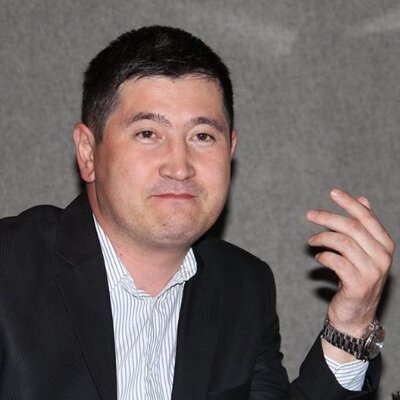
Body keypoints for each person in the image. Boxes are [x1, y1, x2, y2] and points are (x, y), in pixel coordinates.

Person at [0, 25, 394, 400]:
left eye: (202, 136)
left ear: (231, 150)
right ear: (88, 153)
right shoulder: (10, 267)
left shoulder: (243, 287)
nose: (180, 166)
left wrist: (351, 325)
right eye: (148, 134)